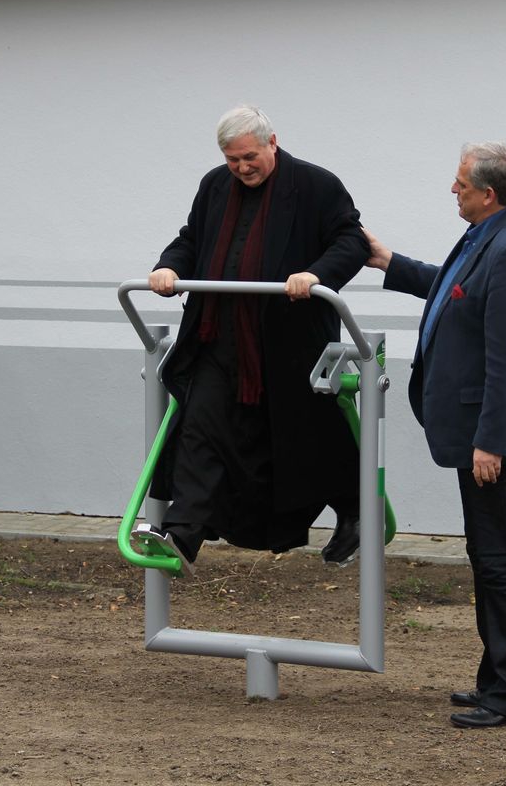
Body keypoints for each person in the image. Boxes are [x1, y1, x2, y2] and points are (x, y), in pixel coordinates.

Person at [363, 142, 506, 728]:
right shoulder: (490, 236)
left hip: (498, 441)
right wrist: (389, 262)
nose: (452, 190)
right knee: (489, 557)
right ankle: (496, 680)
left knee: (504, 563)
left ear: (488, 192)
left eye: (459, 183)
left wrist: (491, 441)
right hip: (483, 433)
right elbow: (453, 288)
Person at [135, 105, 368, 575]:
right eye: (232, 159)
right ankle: (182, 535)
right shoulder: (214, 186)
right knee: (200, 427)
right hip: (218, 335)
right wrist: (169, 267)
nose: (242, 167)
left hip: (288, 342)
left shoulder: (315, 185)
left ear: (272, 143)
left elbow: (352, 242)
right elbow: (191, 240)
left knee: (312, 439)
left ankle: (356, 512)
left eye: (249, 157)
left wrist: (315, 274)